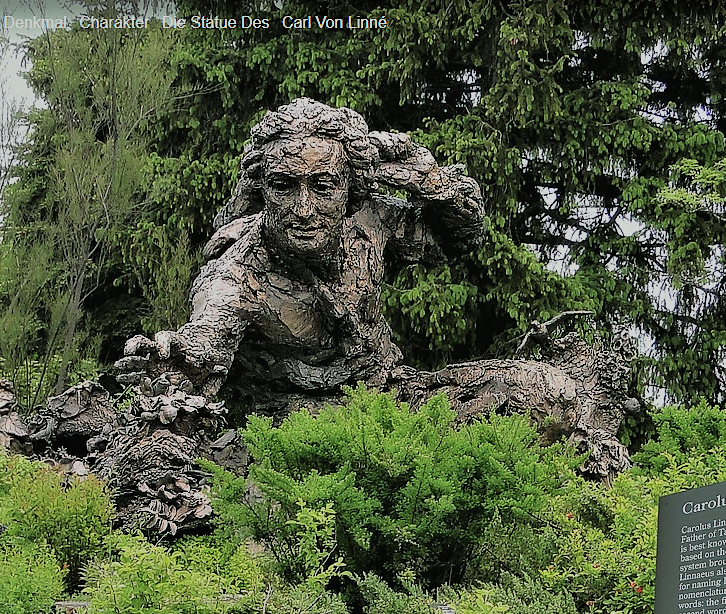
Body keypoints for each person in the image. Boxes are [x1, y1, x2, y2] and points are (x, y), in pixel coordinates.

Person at [117, 99, 484, 402]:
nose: (304, 210)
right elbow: (206, 340)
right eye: (284, 186)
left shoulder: (373, 221)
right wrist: (175, 359)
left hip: (388, 392)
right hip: (288, 417)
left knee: (531, 388)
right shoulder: (237, 274)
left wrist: (431, 181)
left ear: (350, 187)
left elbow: (458, 240)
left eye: (323, 186)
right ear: (262, 189)